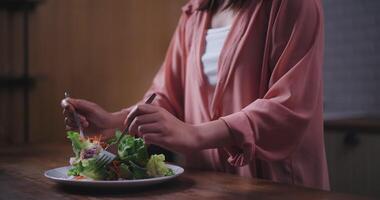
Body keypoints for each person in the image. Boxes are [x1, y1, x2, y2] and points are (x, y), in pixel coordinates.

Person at [62, 0, 330, 190]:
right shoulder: (194, 13)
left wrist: (195, 134)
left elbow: (288, 107)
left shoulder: (293, 4)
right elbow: (166, 96)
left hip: (279, 188)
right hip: (212, 188)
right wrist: (114, 122)